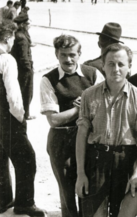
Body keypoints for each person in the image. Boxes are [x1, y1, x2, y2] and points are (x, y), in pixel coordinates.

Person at [75, 43, 137, 217]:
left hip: (126, 160)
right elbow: (81, 135)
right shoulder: (89, 95)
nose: (116, 69)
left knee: (123, 212)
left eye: (121, 64)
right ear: (103, 65)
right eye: (110, 64)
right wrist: (81, 173)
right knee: (94, 213)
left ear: (130, 67)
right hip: (96, 160)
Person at [40, 35, 104, 217]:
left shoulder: (93, 74)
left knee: (87, 189)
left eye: (72, 55)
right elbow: (53, 120)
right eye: (63, 55)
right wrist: (79, 109)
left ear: (79, 54)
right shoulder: (48, 80)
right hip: (61, 141)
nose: (68, 59)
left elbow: (103, 106)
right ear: (56, 55)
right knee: (67, 193)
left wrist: (84, 107)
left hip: (89, 139)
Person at [0, 20, 47, 216]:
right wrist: (20, 117)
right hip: (7, 119)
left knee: (0, 159)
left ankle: (3, 201)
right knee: (27, 158)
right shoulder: (6, 59)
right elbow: (14, 95)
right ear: (8, 38)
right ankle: (25, 203)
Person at [10, 12, 35, 120]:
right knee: (26, 92)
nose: (30, 24)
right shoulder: (21, 37)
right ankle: (25, 114)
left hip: (21, 68)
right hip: (24, 70)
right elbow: (23, 57)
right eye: (28, 23)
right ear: (23, 24)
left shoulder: (21, 34)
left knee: (23, 91)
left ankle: (23, 112)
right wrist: (29, 69)